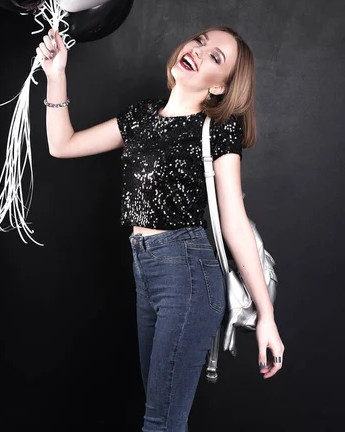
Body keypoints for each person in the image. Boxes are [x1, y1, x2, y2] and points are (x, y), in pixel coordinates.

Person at [36, 25, 285, 432]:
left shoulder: (216, 128)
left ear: (220, 87)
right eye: (201, 41)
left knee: (161, 423)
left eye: (215, 58)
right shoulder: (141, 116)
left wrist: (267, 316)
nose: (199, 51)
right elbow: (62, 144)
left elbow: (233, 219)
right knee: (162, 414)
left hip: (187, 274)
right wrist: (56, 74)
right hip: (145, 270)